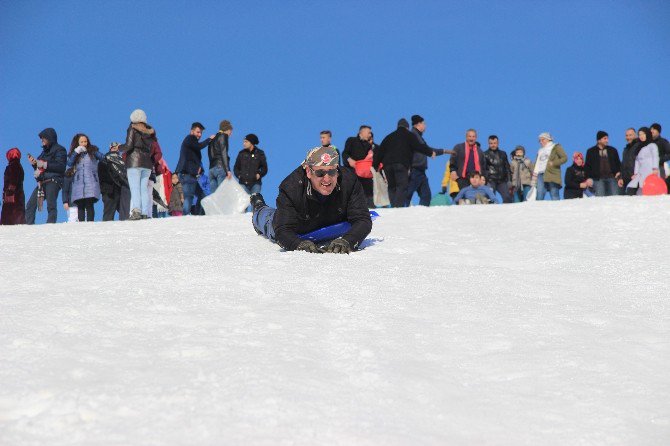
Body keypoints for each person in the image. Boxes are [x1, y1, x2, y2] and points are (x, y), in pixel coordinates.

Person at [250, 146, 372, 253]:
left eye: (332, 171)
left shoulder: (349, 181)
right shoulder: (291, 188)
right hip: (300, 225)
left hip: (332, 218)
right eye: (320, 173)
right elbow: (282, 230)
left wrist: (348, 241)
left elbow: (363, 219)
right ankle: (259, 206)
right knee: (269, 220)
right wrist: (298, 244)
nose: (327, 179)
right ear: (308, 171)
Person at [373, 118, 437, 207]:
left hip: (387, 166)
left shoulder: (388, 137)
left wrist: (375, 165)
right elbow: (419, 146)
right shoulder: (409, 135)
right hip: (401, 164)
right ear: (407, 127)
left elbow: (380, 151)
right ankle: (398, 207)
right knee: (401, 186)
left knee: (391, 186)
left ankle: (394, 205)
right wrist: (430, 152)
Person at [121, 109, 157, 220]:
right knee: (144, 189)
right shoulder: (149, 131)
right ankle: (145, 212)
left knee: (135, 188)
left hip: (134, 161)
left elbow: (128, 145)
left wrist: (119, 147)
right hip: (147, 163)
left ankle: (136, 211)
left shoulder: (132, 128)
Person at [407, 115, 450, 206]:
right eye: (424, 124)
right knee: (409, 193)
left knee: (426, 195)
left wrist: (443, 151)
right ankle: (401, 210)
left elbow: (427, 149)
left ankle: (422, 213)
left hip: (421, 171)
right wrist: (441, 151)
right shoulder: (414, 135)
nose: (425, 126)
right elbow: (426, 149)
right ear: (418, 124)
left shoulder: (418, 136)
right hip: (415, 169)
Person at [25, 128, 67, 224]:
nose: (41, 140)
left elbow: (61, 166)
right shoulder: (44, 152)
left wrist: (44, 164)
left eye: (43, 138)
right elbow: (39, 167)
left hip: (54, 180)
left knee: (51, 205)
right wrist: (34, 164)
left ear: (49, 138)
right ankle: (28, 226)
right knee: (30, 205)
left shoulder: (60, 149)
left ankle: (50, 225)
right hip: (42, 182)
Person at [175, 122, 215, 216]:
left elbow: (193, 156)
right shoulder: (190, 138)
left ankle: (197, 215)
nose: (199, 135)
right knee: (189, 197)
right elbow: (199, 147)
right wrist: (209, 139)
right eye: (198, 132)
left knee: (202, 195)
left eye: (201, 133)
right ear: (191, 131)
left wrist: (199, 168)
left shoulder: (192, 142)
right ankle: (185, 217)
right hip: (186, 174)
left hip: (190, 175)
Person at [66, 133, 104, 222]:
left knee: (89, 203)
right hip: (78, 182)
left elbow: (103, 157)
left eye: (85, 141)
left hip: (91, 181)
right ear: (78, 143)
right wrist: (76, 152)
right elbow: (69, 163)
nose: (84, 143)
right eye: (82, 142)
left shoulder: (92, 151)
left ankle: (90, 223)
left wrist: (93, 151)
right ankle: (81, 223)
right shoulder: (75, 154)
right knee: (80, 205)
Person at [342, 125, 374, 207]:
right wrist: (349, 160)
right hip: (352, 172)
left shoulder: (369, 145)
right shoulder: (351, 140)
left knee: (369, 193)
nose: (370, 135)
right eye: (368, 132)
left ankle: (370, 209)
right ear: (361, 132)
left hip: (366, 174)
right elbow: (345, 153)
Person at [530, 132, 567, 201]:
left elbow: (564, 158)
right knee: (539, 195)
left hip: (552, 173)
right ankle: (538, 211)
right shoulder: (540, 150)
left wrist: (554, 163)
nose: (541, 142)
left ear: (548, 139)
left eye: (542, 139)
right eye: (539, 140)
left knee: (554, 194)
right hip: (540, 174)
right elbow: (537, 163)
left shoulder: (556, 147)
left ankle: (557, 210)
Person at [99, 142, 130, 221]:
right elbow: (101, 175)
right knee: (112, 213)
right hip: (111, 190)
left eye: (116, 148)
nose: (115, 149)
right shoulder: (106, 159)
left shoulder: (122, 160)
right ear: (110, 149)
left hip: (117, 190)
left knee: (120, 213)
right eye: (113, 148)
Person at [584, 131, 621, 197]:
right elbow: (587, 166)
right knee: (600, 199)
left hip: (612, 178)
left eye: (607, 138)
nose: (607, 140)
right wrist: (588, 178)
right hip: (598, 179)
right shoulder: (591, 151)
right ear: (599, 140)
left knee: (615, 198)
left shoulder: (613, 150)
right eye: (605, 138)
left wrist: (619, 173)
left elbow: (618, 163)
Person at [628, 127, 659, 194]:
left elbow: (655, 157)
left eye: (643, 134)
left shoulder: (652, 145)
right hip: (641, 172)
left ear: (647, 134)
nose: (641, 136)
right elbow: (637, 162)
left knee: (649, 188)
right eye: (639, 134)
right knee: (633, 187)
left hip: (651, 171)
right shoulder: (639, 148)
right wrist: (635, 173)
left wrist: (655, 168)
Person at [483, 135, 512, 203]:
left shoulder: (503, 153)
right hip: (491, 180)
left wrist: (509, 180)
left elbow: (507, 167)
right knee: (490, 197)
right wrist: (486, 179)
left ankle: (506, 212)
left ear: (498, 143)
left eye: (495, 143)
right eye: (491, 143)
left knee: (507, 197)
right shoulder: (485, 154)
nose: (493, 145)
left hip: (502, 180)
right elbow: (483, 168)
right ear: (488, 143)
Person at [1, 147, 25, 225]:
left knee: (10, 214)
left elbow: (13, 178)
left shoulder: (14, 165)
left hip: (13, 196)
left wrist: (9, 191)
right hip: (18, 194)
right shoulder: (18, 166)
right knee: (18, 212)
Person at [208, 120, 233, 193]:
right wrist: (227, 170)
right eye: (230, 131)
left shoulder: (212, 139)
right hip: (220, 167)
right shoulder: (223, 136)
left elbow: (210, 154)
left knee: (214, 197)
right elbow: (223, 152)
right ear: (227, 130)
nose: (230, 134)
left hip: (211, 169)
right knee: (222, 194)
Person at [619, 128, 640, 196]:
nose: (628, 137)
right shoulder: (626, 149)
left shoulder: (639, 146)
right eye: (626, 135)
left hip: (635, 177)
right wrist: (621, 177)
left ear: (635, 135)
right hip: (625, 179)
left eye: (630, 135)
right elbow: (623, 164)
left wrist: (638, 174)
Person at [650, 123, 670, 192]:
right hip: (648, 168)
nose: (652, 131)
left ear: (658, 131)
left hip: (659, 168)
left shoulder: (663, 142)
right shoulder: (648, 142)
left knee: (660, 186)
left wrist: (660, 159)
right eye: (651, 129)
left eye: (654, 129)